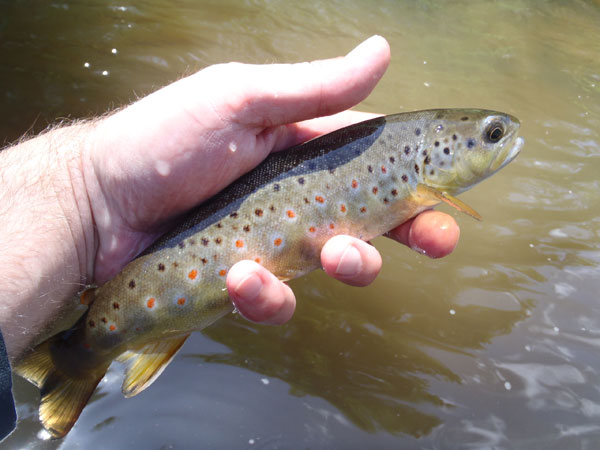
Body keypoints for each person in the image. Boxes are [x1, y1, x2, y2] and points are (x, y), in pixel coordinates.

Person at [0, 35, 459, 439]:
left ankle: (78, 353)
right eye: (493, 136)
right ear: (433, 154)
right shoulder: (413, 171)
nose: (506, 142)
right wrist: (91, 191)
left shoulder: (411, 174)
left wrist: (90, 194)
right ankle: (75, 355)